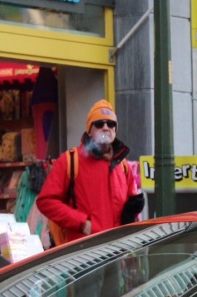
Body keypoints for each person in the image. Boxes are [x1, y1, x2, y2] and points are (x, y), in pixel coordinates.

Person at [35, 99, 144, 245]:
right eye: (99, 124)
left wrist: (132, 210)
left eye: (111, 124)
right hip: (84, 253)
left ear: (115, 130)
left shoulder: (123, 165)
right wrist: (82, 223)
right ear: (89, 131)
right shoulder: (69, 160)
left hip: (118, 253)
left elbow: (131, 202)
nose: (106, 128)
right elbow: (45, 202)